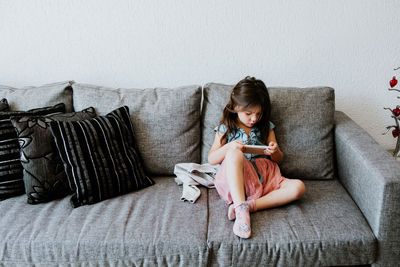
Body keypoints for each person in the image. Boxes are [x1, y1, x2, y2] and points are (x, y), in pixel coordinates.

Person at [208, 76, 306, 239]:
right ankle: (241, 210)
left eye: (258, 114)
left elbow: (279, 159)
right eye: (248, 113)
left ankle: (249, 206)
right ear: (235, 107)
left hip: (266, 177)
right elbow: (212, 159)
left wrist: (274, 151)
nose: (254, 119)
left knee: (298, 187)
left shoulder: (266, 126)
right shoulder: (226, 128)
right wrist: (229, 147)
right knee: (234, 154)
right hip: (238, 178)